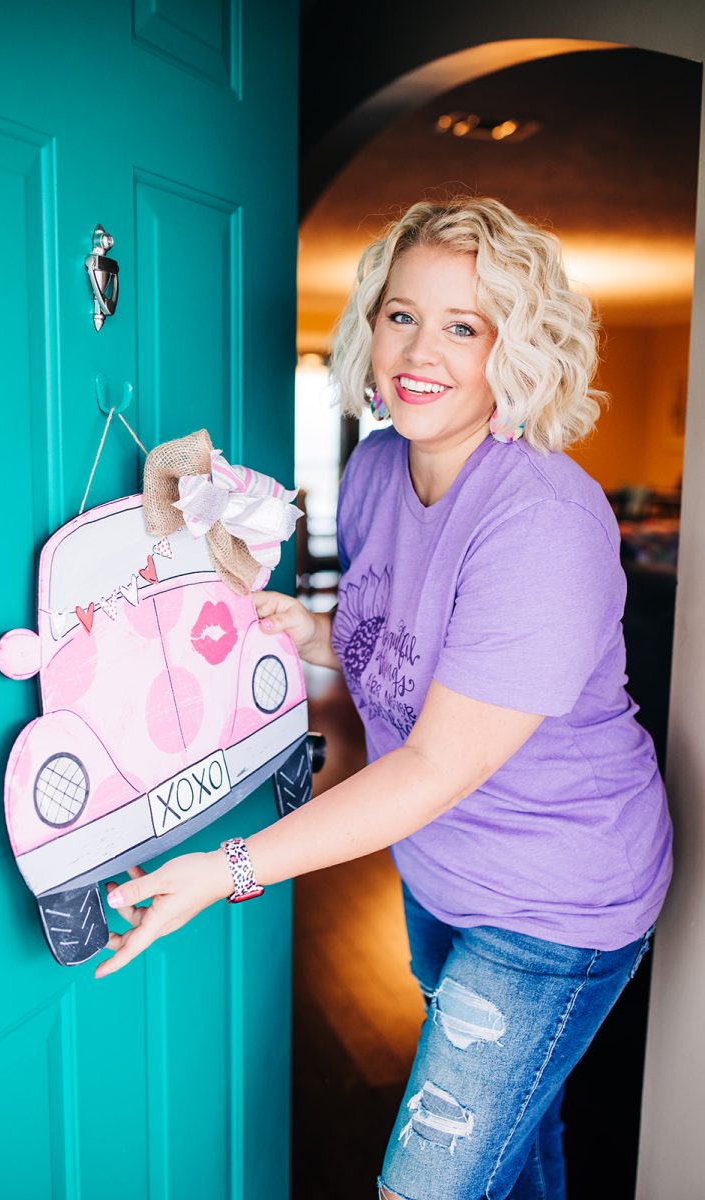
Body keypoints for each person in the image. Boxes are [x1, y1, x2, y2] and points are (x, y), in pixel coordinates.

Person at [95, 197, 673, 1200]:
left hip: (551, 900)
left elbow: (439, 760)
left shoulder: (541, 520)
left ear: (517, 349)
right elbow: (410, 641)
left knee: (426, 1187)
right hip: (441, 871)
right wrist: (317, 632)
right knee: (515, 1145)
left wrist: (225, 871)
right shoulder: (373, 468)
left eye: (463, 324)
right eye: (400, 313)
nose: (419, 348)